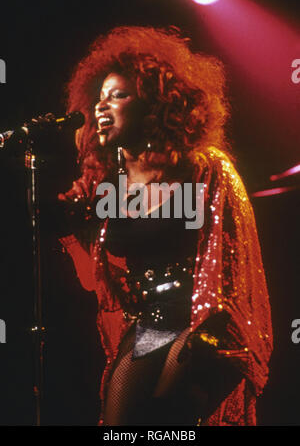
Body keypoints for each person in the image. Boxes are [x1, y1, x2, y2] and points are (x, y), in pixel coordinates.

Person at [57, 26, 273, 426]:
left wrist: (207, 332)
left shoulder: (203, 168)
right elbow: (97, 286)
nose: (102, 107)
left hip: (203, 324)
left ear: (156, 104)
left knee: (171, 420)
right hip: (147, 325)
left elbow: (234, 262)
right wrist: (72, 234)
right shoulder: (109, 186)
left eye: (119, 95)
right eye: (99, 97)